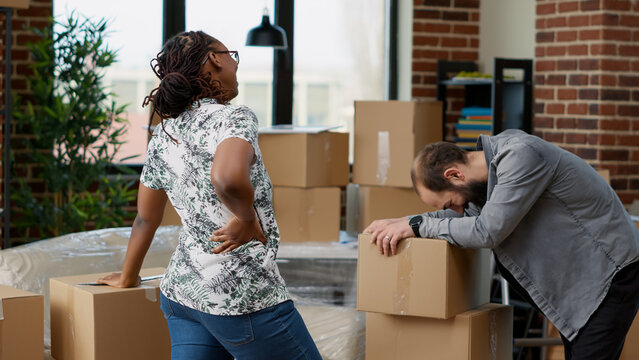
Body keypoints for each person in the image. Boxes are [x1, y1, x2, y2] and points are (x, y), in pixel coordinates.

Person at [97, 30, 322, 360]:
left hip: (182, 294)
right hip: (241, 297)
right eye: (232, 55)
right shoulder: (234, 117)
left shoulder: (165, 132)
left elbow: (146, 217)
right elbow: (227, 178)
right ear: (215, 59)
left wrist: (128, 276)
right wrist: (245, 219)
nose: (235, 64)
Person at [365, 129, 639, 360]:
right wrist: (406, 221)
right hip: (585, 287)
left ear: (454, 175)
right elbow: (468, 217)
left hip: (610, 274)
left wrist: (417, 226)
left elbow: (487, 230)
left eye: (450, 203)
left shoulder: (521, 156)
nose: (457, 211)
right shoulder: (488, 180)